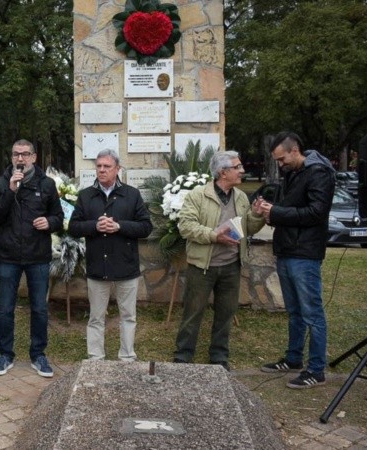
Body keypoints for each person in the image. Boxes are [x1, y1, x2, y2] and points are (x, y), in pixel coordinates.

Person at [256, 132, 335, 389]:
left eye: (282, 159)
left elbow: (316, 212)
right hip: (287, 249)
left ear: (294, 150)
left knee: (312, 313)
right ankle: (293, 358)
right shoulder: (291, 173)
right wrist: (269, 212)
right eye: (277, 160)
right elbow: (288, 208)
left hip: (305, 253)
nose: (280, 165)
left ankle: (316, 370)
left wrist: (277, 212)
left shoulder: (319, 173)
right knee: (294, 312)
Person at [173, 151, 265, 370]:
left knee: (226, 314)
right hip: (202, 267)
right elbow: (186, 227)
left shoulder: (240, 197)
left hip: (231, 266)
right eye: (237, 167)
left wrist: (256, 215)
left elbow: (248, 228)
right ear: (223, 172)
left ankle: (219, 357)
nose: (242, 171)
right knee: (193, 313)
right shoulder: (198, 195)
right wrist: (214, 236)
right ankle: (183, 356)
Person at [0, 139, 63, 378]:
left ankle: (38, 355)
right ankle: (5, 354)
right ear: (11, 157)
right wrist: (10, 191)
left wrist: (49, 222)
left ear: (34, 157)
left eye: (25, 154)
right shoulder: (0, 184)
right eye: (16, 154)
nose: (20, 159)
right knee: (5, 309)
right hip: (8, 257)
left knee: (39, 309)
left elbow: (59, 217)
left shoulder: (47, 184)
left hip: (37, 256)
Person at [68, 149, 152, 362]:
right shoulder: (86, 195)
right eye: (99, 166)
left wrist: (119, 226)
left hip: (126, 265)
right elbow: (73, 227)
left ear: (118, 169)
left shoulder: (132, 194)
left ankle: (127, 357)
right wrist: (95, 226)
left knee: (128, 316)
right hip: (98, 265)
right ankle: (95, 358)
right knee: (96, 317)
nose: (102, 170)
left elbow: (146, 227)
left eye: (107, 166)